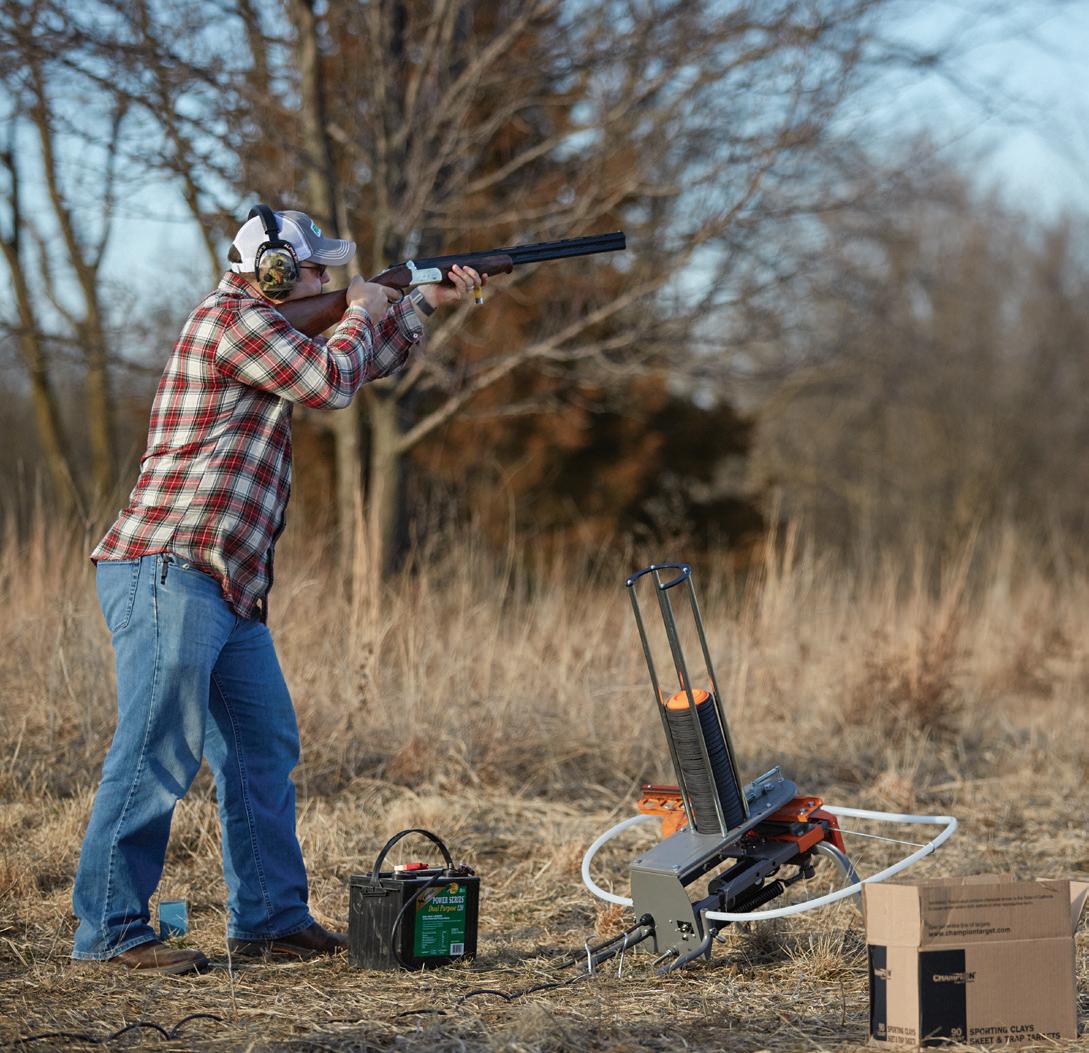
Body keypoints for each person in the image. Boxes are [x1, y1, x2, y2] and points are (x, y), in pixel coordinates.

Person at [71, 207, 485, 973]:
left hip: (227, 587)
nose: (330, 278)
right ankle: (109, 929)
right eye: (317, 268)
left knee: (263, 750)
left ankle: (269, 922)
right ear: (273, 272)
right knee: (157, 749)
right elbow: (329, 381)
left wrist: (420, 303)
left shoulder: (268, 330)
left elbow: (355, 364)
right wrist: (362, 307)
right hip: (171, 569)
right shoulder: (230, 321)